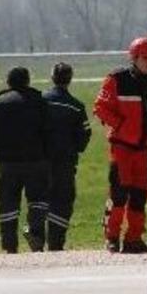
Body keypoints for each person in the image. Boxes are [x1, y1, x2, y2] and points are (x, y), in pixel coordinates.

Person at [94, 36, 147, 253]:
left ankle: (133, 238)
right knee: (119, 194)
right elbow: (100, 108)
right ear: (134, 58)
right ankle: (111, 236)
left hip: (145, 149)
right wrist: (120, 125)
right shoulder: (117, 79)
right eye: (144, 58)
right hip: (122, 147)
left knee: (140, 195)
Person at [0, 67, 51, 253]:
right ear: (28, 81)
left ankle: (9, 245)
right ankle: (35, 235)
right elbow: (49, 132)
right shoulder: (41, 102)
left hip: (8, 163)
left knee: (8, 204)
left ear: (8, 82)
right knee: (38, 200)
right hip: (37, 160)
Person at [43, 62, 92, 251]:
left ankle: (32, 234)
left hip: (41, 161)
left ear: (52, 77)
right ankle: (56, 243)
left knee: (38, 201)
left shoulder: (41, 102)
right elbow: (85, 134)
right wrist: (75, 148)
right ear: (70, 79)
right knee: (63, 201)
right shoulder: (76, 107)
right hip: (65, 162)